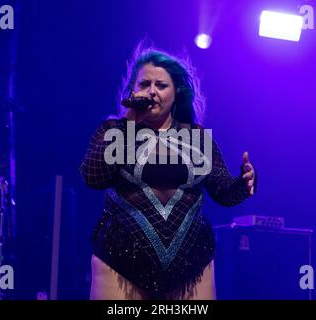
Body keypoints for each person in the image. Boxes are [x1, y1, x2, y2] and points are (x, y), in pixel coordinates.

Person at [80, 45, 257, 300]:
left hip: (191, 265)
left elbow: (223, 191)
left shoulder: (196, 136)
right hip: (120, 263)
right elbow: (93, 176)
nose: (151, 91)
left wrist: (243, 181)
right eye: (144, 84)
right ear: (133, 90)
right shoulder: (114, 129)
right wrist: (130, 120)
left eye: (161, 85)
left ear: (176, 93)